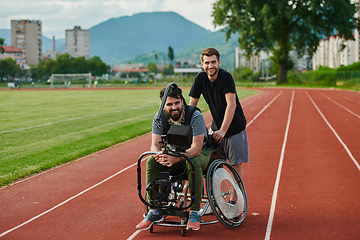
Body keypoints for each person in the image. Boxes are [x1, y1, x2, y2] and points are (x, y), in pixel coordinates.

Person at [136, 84, 213, 231]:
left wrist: (176, 159)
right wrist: (157, 155)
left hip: (200, 153)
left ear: (182, 101)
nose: (174, 107)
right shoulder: (159, 118)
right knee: (151, 161)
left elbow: (196, 148)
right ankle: (154, 209)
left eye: (177, 103)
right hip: (174, 153)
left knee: (193, 161)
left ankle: (195, 212)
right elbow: (154, 145)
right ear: (163, 105)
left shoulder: (194, 116)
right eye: (169, 104)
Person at [189, 47, 249, 180]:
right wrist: (187, 128)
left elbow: (231, 105)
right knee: (212, 163)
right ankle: (215, 196)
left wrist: (223, 131)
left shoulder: (225, 77)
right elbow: (191, 106)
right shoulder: (200, 78)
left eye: (213, 62)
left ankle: (234, 200)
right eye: (207, 63)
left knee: (235, 166)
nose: (210, 66)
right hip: (216, 127)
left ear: (219, 63)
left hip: (234, 127)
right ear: (202, 64)